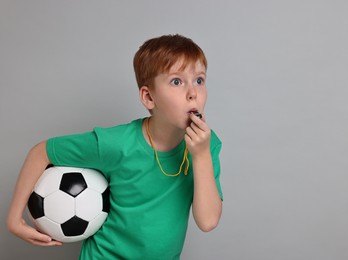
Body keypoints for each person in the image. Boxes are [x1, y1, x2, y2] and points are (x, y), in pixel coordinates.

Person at [7, 34, 223, 259]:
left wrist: (200, 156)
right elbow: (41, 152)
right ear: (149, 97)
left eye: (199, 80)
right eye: (176, 81)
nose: (193, 93)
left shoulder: (207, 145)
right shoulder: (118, 143)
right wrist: (14, 219)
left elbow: (208, 221)